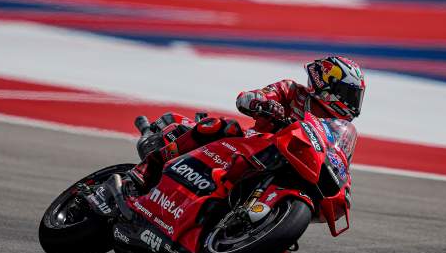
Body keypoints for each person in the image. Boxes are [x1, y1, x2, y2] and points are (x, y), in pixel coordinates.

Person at [130, 56, 365, 189]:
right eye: (350, 94)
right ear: (329, 86)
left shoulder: (338, 128)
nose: (353, 104)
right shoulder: (292, 91)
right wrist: (261, 103)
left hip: (289, 166)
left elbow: (338, 161)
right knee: (222, 127)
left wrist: (344, 186)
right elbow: (247, 97)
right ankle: (148, 168)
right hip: (253, 145)